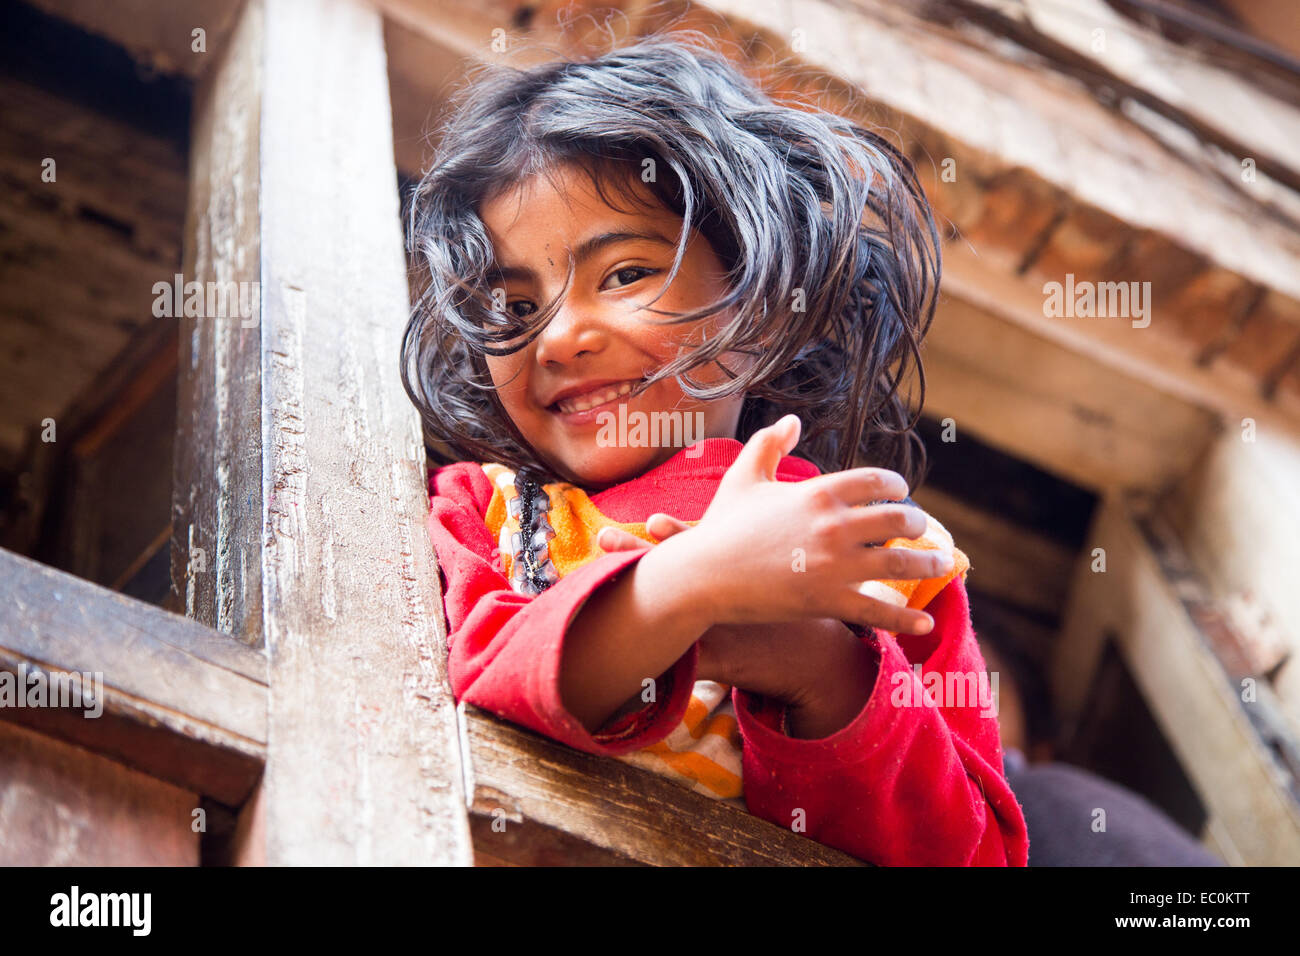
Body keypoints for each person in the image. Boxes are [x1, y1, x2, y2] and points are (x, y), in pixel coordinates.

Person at [401, 34, 1028, 865]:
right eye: (513, 311)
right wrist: (682, 591)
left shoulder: (884, 557)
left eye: (624, 275)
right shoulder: (480, 511)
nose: (559, 337)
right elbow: (485, 682)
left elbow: (976, 853)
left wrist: (821, 671)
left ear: (759, 306)